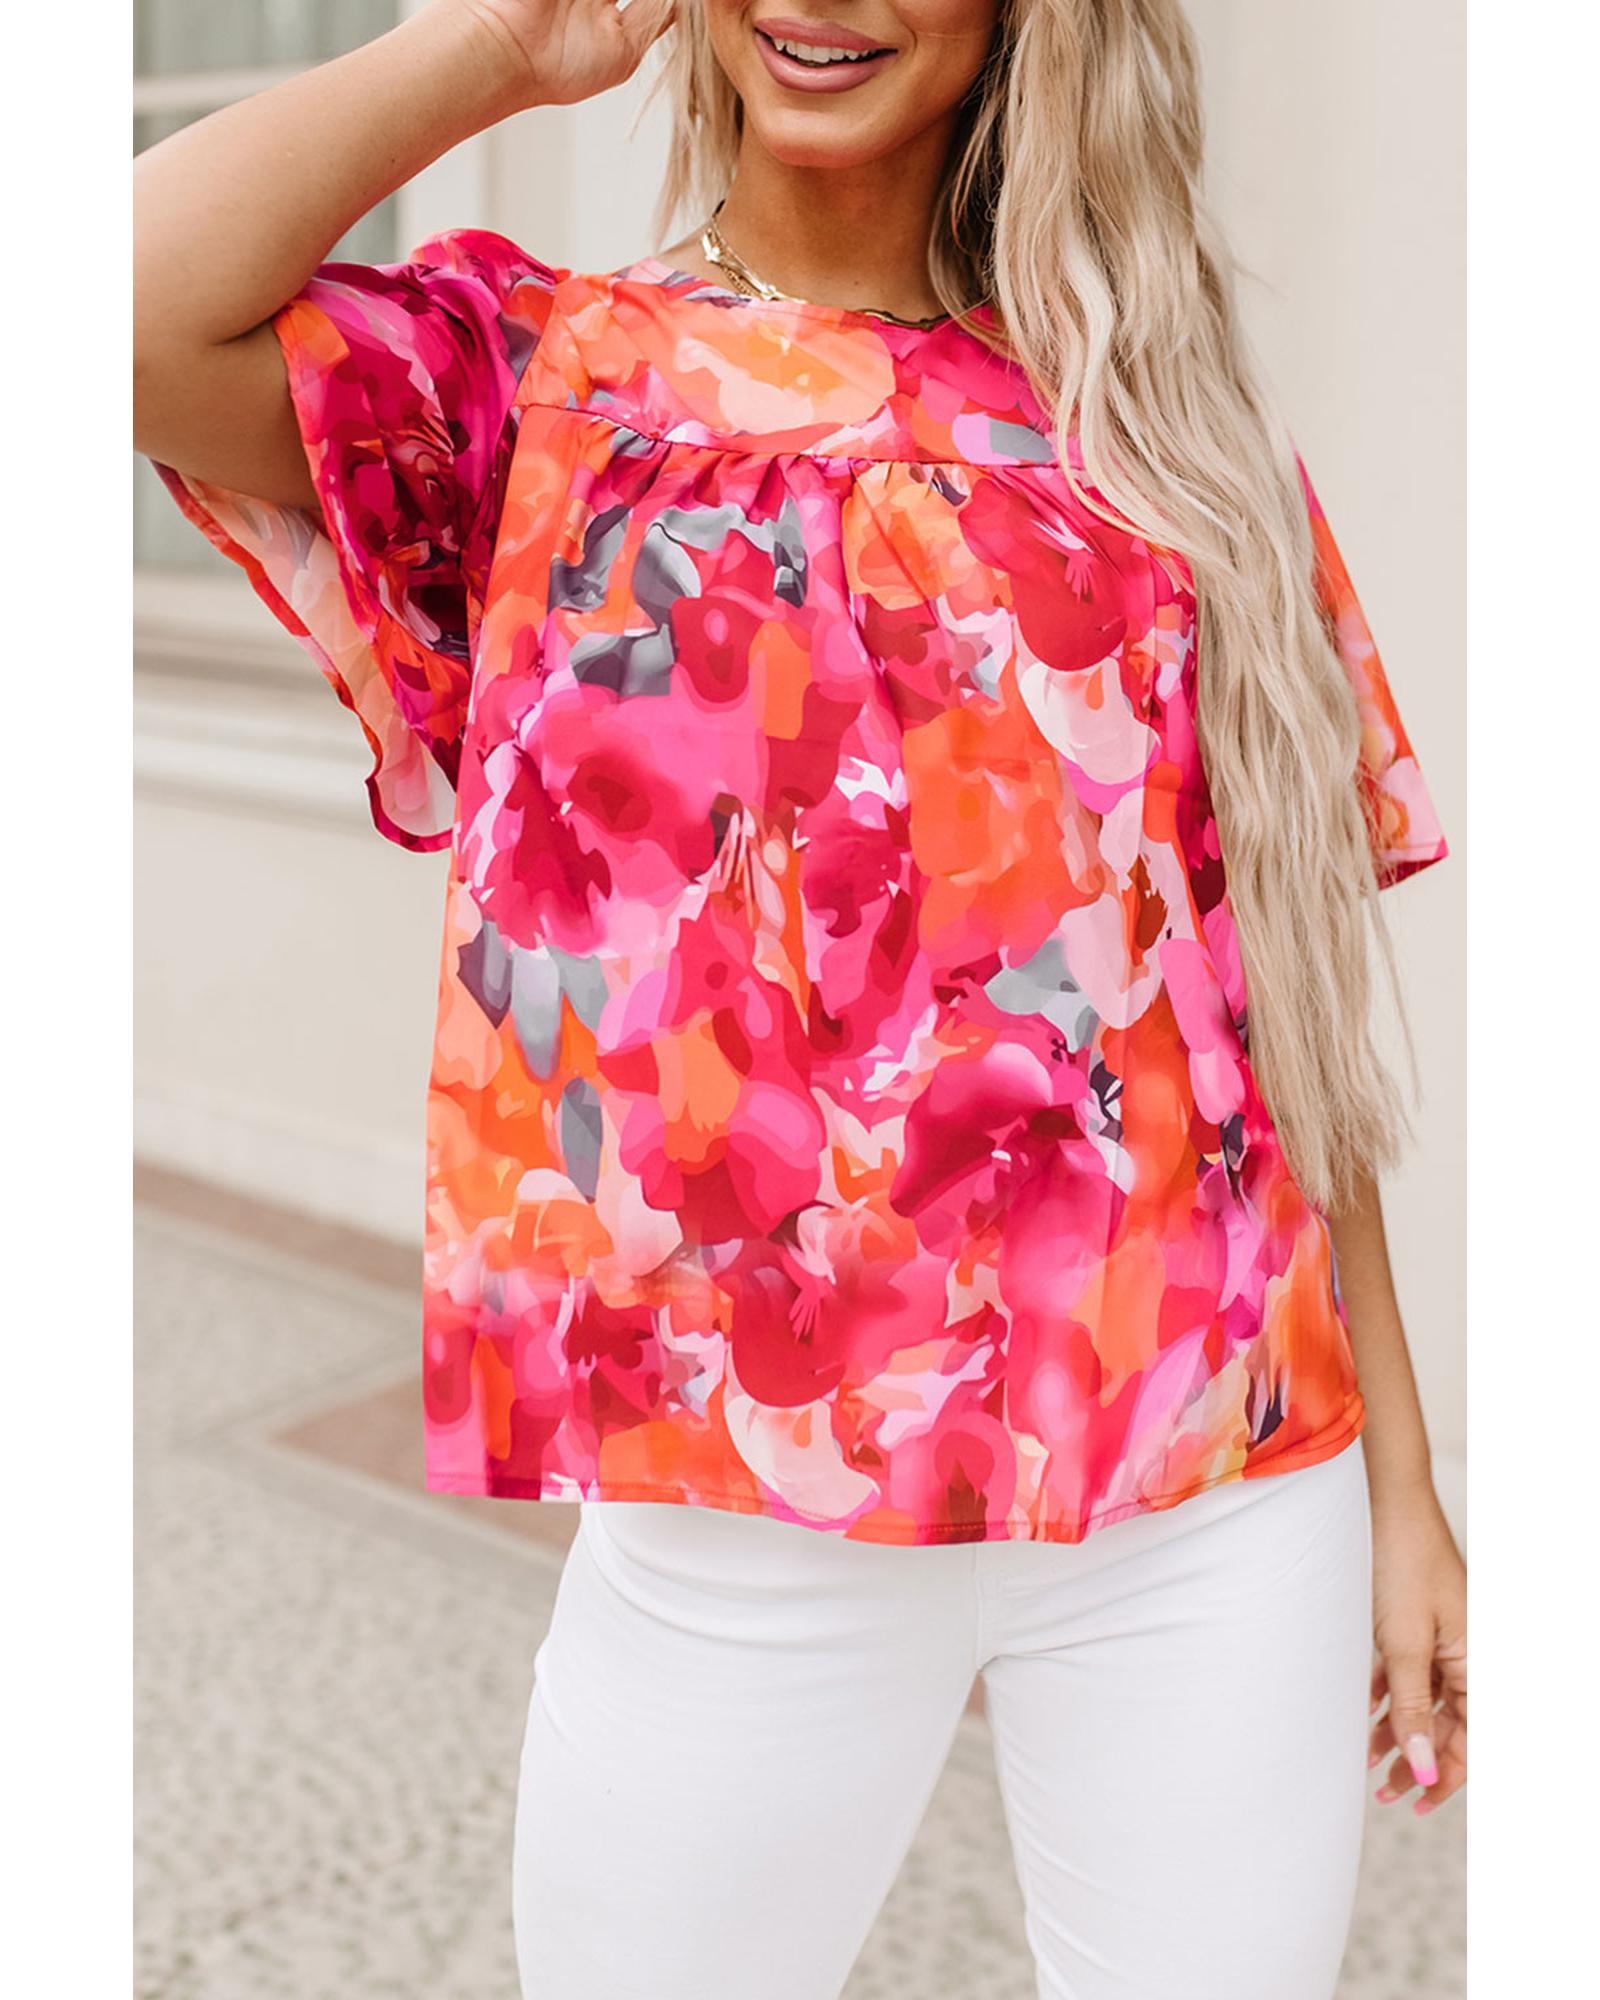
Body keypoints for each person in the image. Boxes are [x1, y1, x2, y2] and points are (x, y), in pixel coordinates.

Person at [132, 2, 1468, 1994]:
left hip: (1211, 1499)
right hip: (742, 1517)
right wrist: (498, 47)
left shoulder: (1160, 431)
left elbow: (1277, 999)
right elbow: (114, 310)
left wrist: (1403, 1489)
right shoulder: (546, 383)